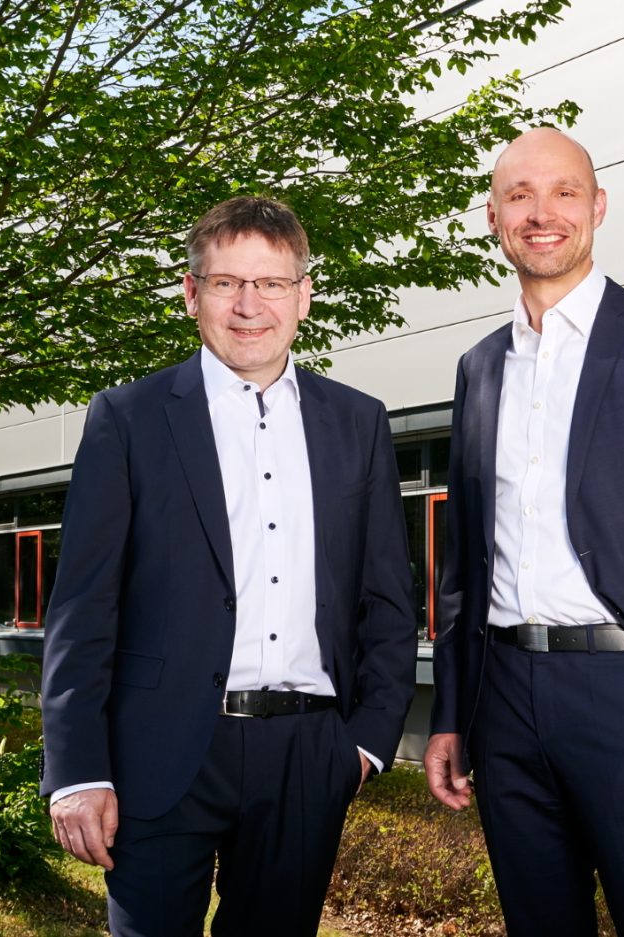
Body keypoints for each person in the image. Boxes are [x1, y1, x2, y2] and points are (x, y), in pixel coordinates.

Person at [41, 196, 417, 937]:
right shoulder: (128, 417)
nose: (250, 305)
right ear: (192, 293)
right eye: (226, 283)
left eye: (271, 283)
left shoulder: (358, 420)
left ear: (303, 296)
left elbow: (388, 597)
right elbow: (82, 607)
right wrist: (78, 770)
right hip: (158, 748)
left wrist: (365, 743)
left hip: (308, 754)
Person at [423, 128, 624, 937]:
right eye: (519, 195)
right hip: (502, 697)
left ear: (598, 207)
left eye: (565, 192)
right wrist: (452, 712)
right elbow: (466, 560)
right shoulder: (479, 366)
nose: (543, 213)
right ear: (494, 215)